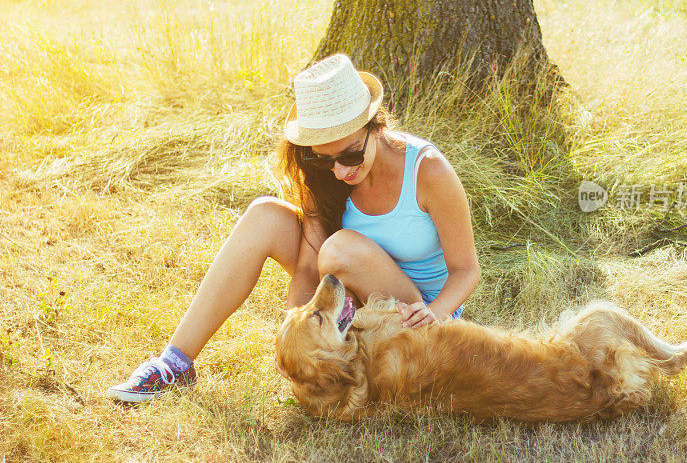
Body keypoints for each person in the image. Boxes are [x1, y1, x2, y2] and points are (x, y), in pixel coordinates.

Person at [107, 53, 480, 402]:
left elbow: (467, 270)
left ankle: (371, 344)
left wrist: (436, 313)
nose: (340, 172)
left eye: (350, 155)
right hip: (347, 294)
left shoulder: (426, 170)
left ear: (375, 125)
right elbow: (307, 265)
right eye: (325, 160)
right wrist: (294, 343)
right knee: (264, 214)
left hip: (418, 313)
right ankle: (175, 363)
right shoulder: (327, 171)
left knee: (340, 249)